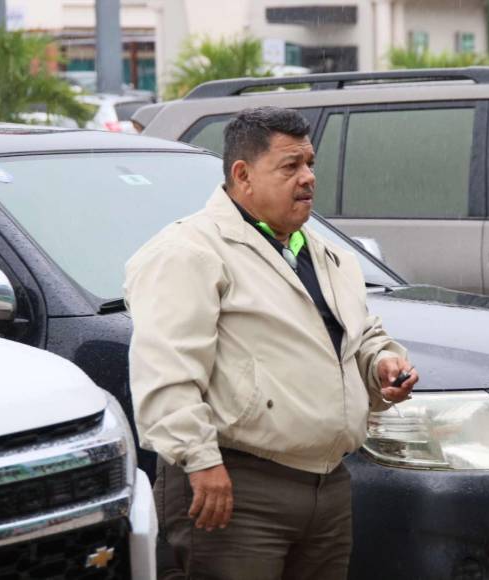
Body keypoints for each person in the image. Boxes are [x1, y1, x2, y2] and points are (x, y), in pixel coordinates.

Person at [125, 106, 418, 580]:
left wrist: (382, 364)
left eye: (310, 164)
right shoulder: (190, 251)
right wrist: (201, 462)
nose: (307, 179)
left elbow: (360, 335)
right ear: (242, 175)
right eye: (289, 166)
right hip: (235, 485)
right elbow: (167, 370)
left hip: (328, 483)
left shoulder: (324, 253)